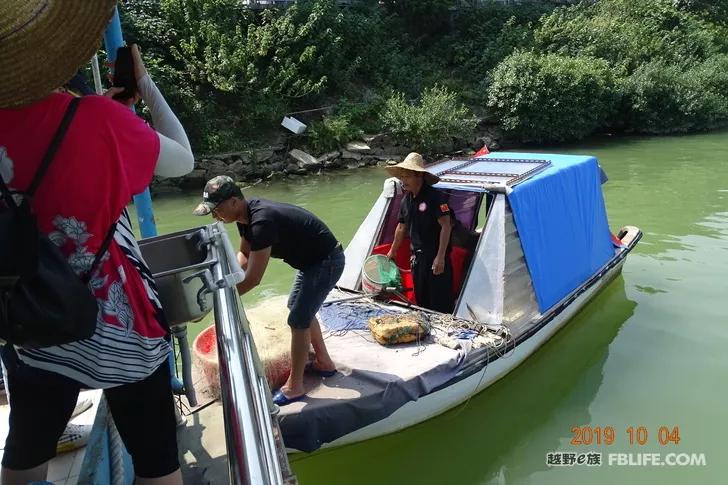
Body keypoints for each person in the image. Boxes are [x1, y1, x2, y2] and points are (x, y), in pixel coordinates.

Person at [0, 2, 194, 484]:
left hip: (26, 317)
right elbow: (183, 161)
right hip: (116, 324)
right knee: (156, 462)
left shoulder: (101, 118)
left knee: (24, 456)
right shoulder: (98, 118)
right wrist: (143, 90)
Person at [192, 176, 345, 406]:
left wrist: (219, 299)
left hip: (326, 262)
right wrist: (224, 280)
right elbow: (244, 256)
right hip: (311, 263)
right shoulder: (244, 217)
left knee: (298, 320)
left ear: (234, 201)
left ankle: (295, 386)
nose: (215, 216)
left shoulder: (262, 221)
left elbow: (254, 278)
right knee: (298, 309)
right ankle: (324, 362)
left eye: (217, 209)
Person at [386, 152, 454, 313]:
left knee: (439, 300)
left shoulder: (436, 198)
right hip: (417, 258)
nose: (403, 180)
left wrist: (440, 257)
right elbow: (401, 227)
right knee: (422, 300)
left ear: (419, 177)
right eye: (402, 176)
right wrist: (392, 251)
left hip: (435, 257)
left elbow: (446, 226)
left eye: (407, 176)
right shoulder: (406, 200)